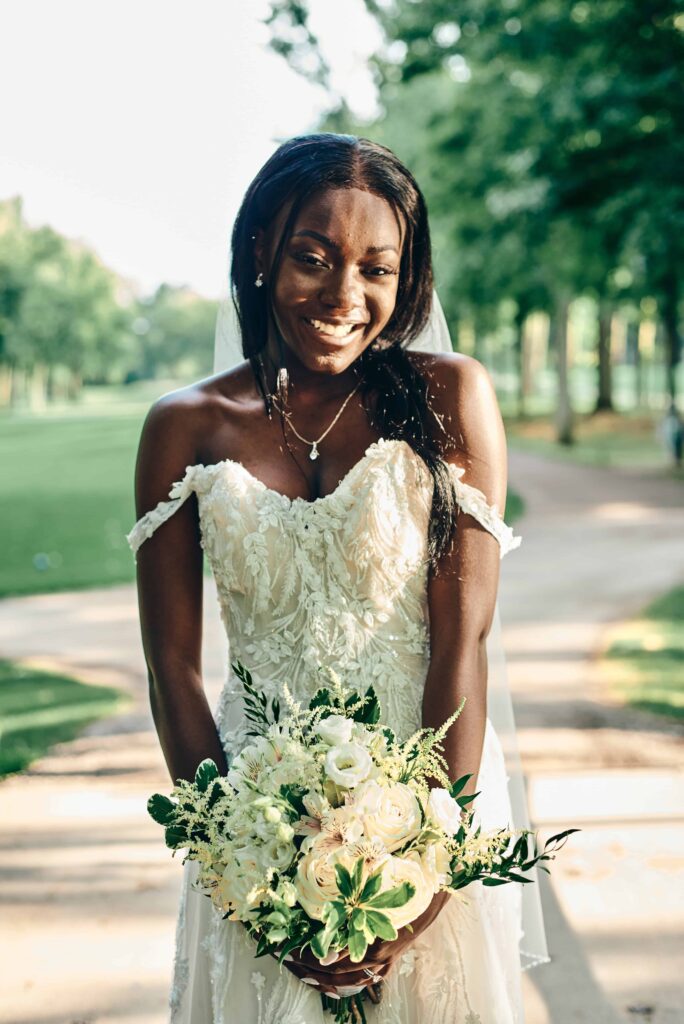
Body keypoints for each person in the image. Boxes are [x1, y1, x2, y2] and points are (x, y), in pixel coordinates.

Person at [127, 134, 540, 1024]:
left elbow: (462, 641)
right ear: (259, 252)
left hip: (429, 801)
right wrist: (241, 868)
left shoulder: (450, 396)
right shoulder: (185, 426)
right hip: (253, 815)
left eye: (376, 269)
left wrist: (431, 865)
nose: (344, 297)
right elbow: (172, 668)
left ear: (405, 279)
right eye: (312, 258)